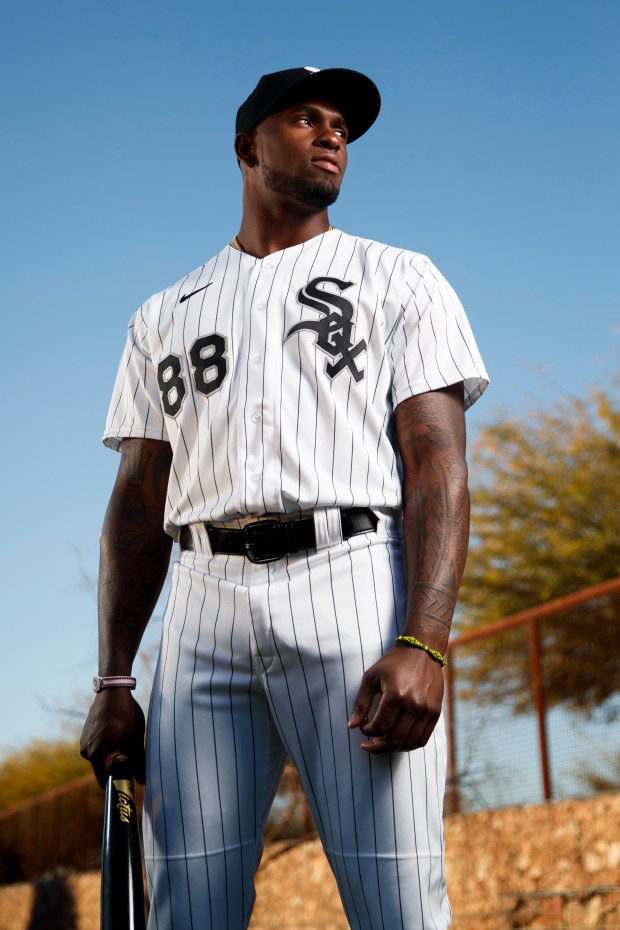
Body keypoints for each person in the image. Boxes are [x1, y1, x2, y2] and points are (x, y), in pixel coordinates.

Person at [81, 65, 489, 930]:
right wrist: (116, 675)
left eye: (342, 123)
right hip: (202, 602)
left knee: (398, 903)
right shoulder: (163, 312)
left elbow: (438, 467)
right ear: (247, 146)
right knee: (188, 905)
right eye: (305, 118)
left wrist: (427, 638)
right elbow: (136, 501)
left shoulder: (399, 277)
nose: (332, 133)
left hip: (353, 582)